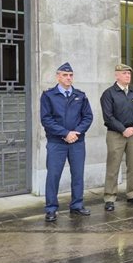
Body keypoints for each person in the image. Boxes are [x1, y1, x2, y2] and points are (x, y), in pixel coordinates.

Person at [40, 62, 93, 222]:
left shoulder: (80, 95)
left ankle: (77, 205)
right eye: (65, 75)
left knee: (77, 174)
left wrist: (76, 133)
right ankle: (51, 208)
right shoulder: (49, 96)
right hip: (57, 142)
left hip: (77, 142)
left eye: (70, 75)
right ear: (58, 76)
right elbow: (46, 119)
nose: (68, 78)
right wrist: (65, 133)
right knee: (53, 175)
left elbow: (88, 117)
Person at [100, 64, 133, 211]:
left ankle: (132, 194)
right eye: (124, 73)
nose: (128, 76)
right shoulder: (109, 93)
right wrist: (123, 129)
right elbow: (108, 117)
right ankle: (109, 197)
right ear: (117, 75)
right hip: (116, 134)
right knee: (113, 166)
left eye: (129, 74)